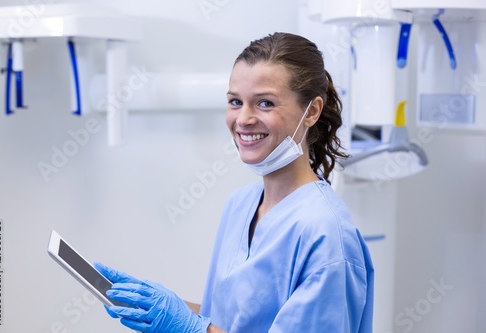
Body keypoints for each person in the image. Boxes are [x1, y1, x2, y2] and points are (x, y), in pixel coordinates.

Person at [95, 32, 374, 333]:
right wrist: (162, 307)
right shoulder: (240, 204)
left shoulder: (327, 236)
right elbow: (236, 321)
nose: (244, 119)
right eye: (235, 102)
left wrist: (190, 328)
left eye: (265, 103)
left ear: (313, 111)